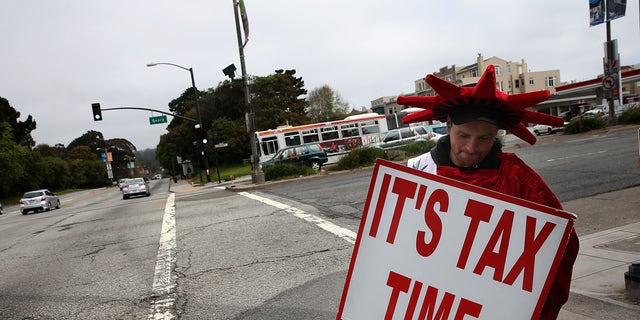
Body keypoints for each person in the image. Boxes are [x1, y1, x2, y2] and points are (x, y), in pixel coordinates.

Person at [398, 65, 579, 320]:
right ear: (448, 126)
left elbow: (560, 243)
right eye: (463, 135)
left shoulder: (517, 177)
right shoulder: (418, 171)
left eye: (484, 138)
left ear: (496, 136)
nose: (472, 147)